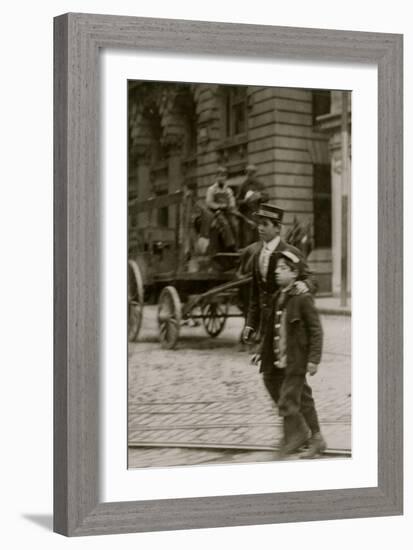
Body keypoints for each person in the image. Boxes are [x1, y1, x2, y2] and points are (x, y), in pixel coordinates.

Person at [253, 250, 326, 458]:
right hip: (279, 359)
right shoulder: (278, 297)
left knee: (288, 399)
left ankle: (292, 438)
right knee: (302, 399)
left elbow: (316, 330)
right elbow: (270, 330)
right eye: (277, 268)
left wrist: (313, 359)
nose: (277, 272)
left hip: (296, 360)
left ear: (294, 274)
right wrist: (260, 351)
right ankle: (317, 438)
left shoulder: (302, 298)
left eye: (283, 269)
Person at [242, 203, 315, 346]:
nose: (260, 228)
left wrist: (304, 284)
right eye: (259, 224)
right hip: (266, 328)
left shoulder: (290, 252)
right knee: (267, 367)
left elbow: (311, 278)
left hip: (286, 326)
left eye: (265, 224)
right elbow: (255, 295)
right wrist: (250, 324)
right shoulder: (257, 254)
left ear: (277, 228)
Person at [205, 166, 239, 250]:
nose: (222, 178)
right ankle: (230, 245)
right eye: (220, 176)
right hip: (216, 212)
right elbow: (209, 202)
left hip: (227, 212)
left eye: (224, 176)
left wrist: (231, 206)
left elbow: (232, 201)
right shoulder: (211, 189)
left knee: (235, 224)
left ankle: (238, 245)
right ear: (216, 177)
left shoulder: (228, 190)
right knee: (225, 223)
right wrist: (219, 206)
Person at [237, 164, 269, 246]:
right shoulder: (243, 186)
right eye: (249, 174)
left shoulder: (260, 185)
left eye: (252, 174)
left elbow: (267, 196)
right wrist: (245, 201)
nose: (251, 176)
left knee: (260, 236)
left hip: (259, 213)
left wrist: (259, 196)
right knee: (248, 239)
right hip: (247, 215)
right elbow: (237, 201)